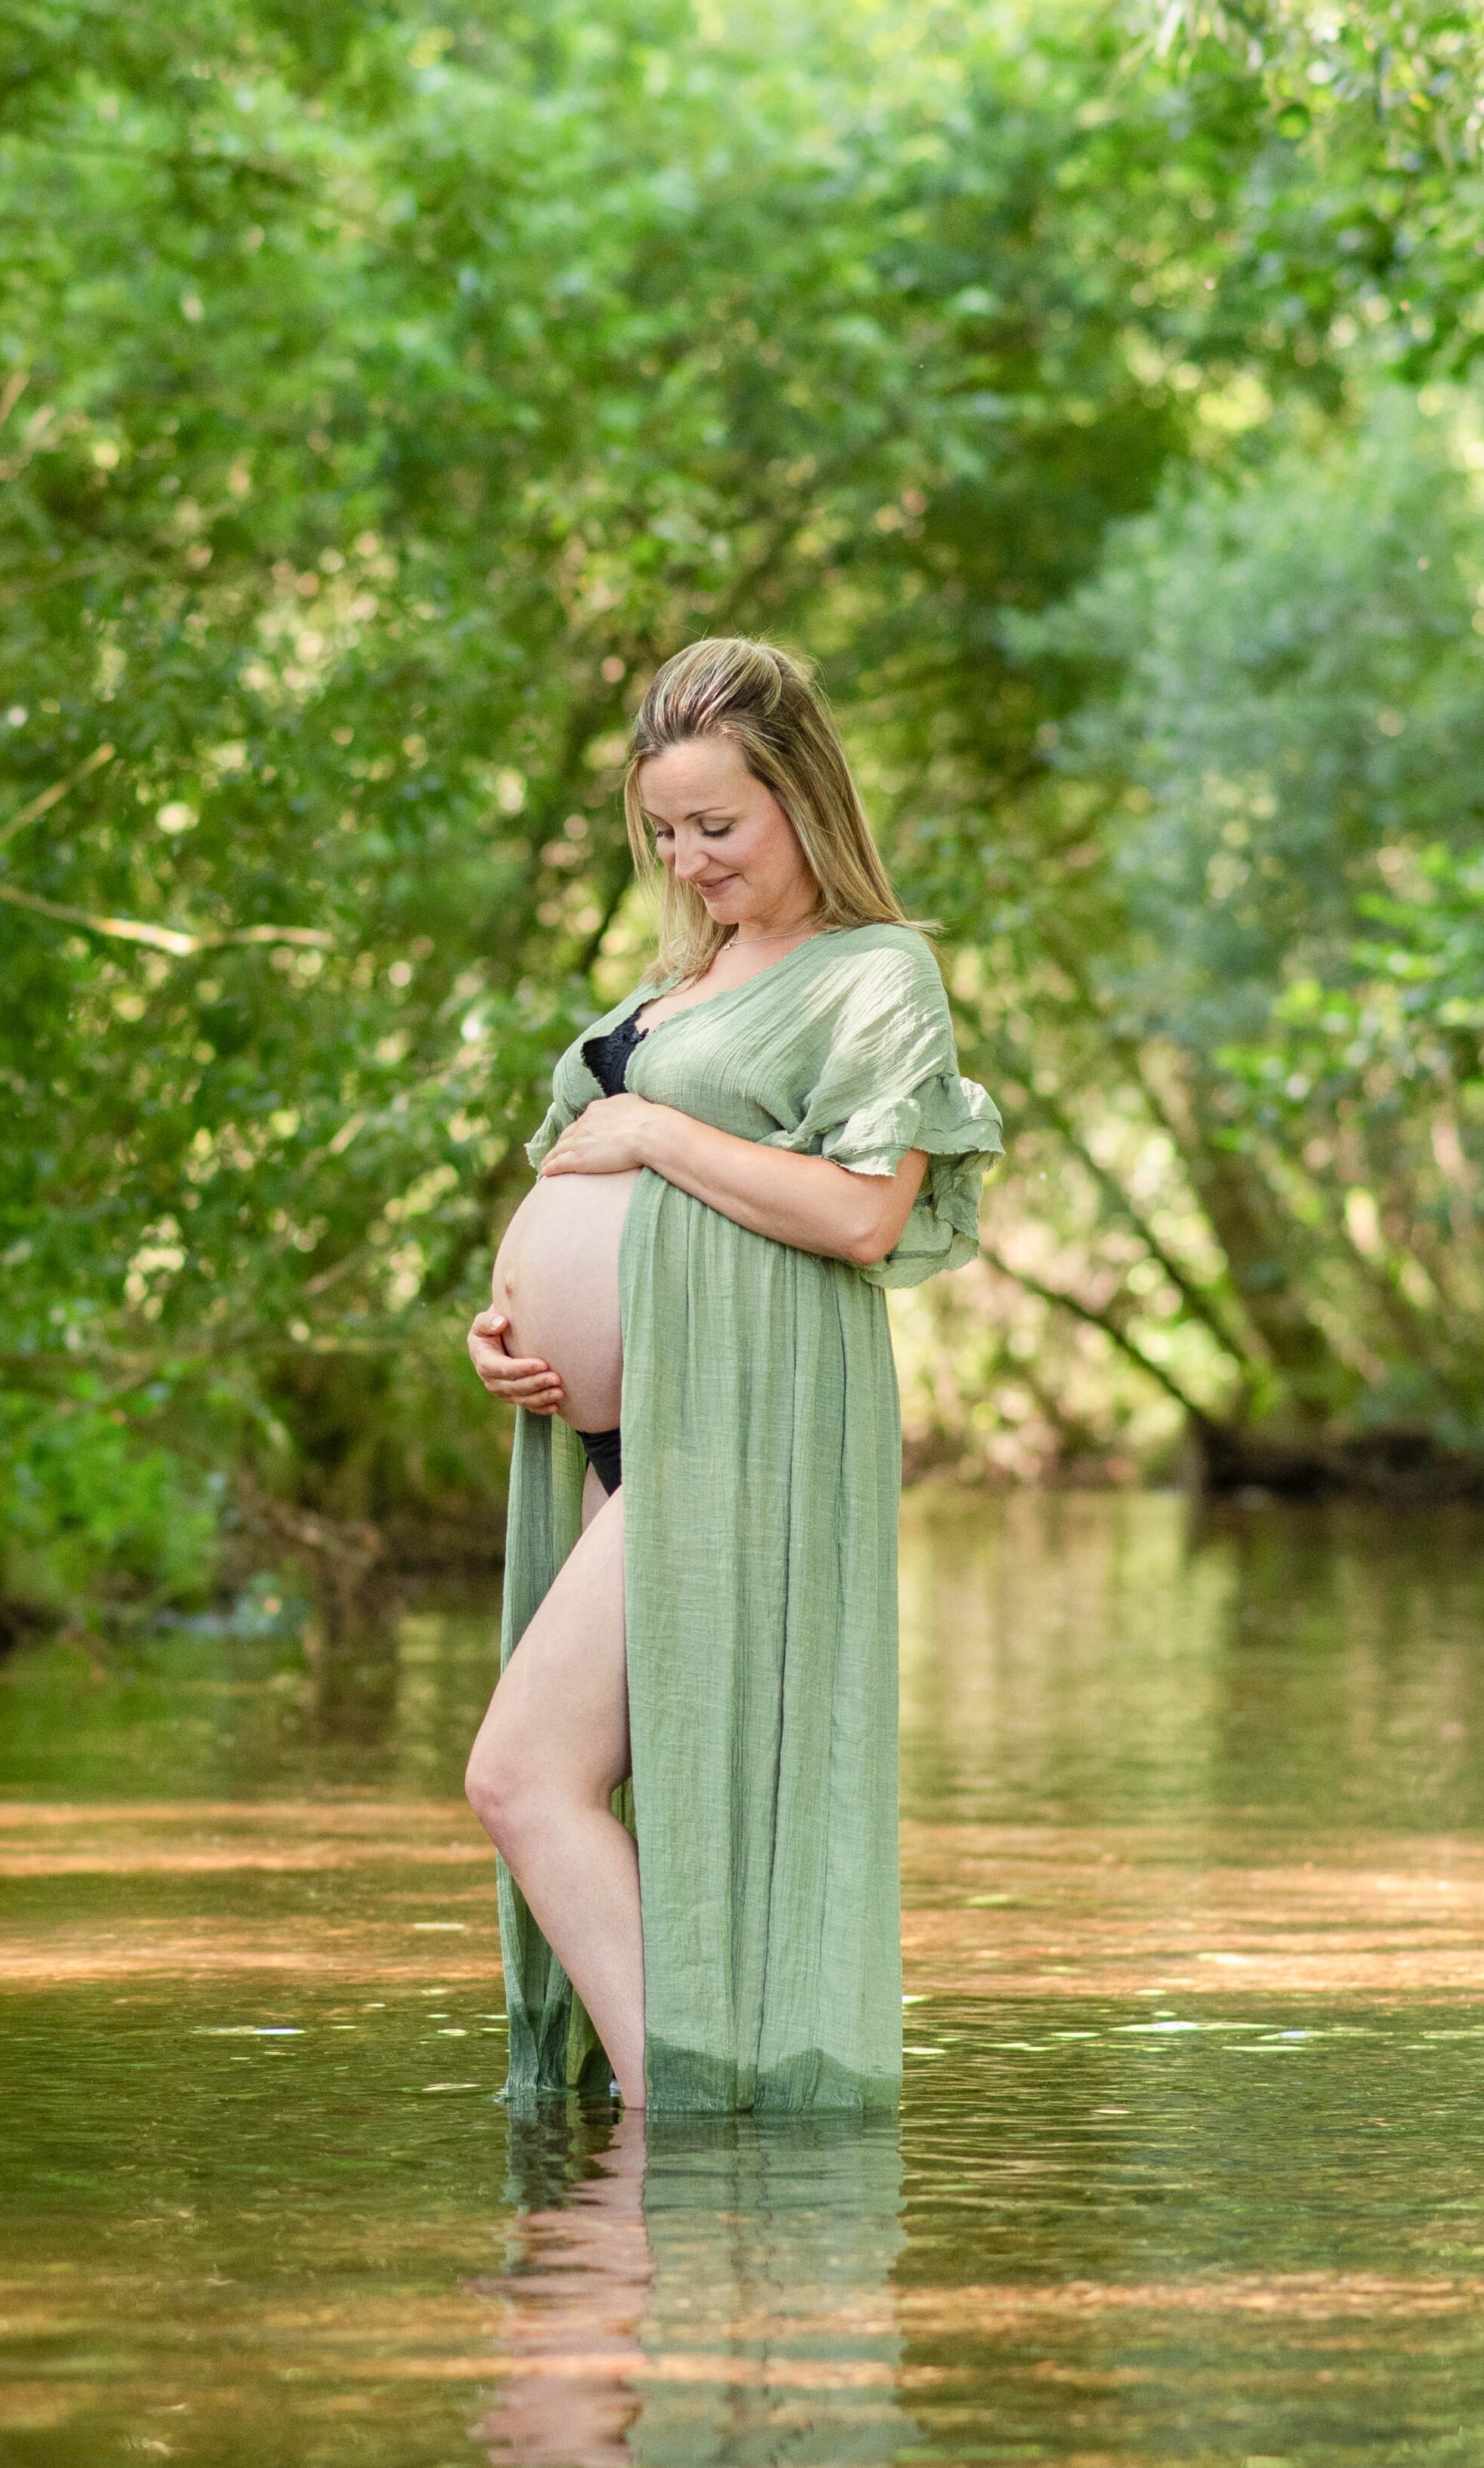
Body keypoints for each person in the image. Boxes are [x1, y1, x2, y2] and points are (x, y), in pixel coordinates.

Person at [462, 638, 1001, 2115]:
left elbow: (860, 1213)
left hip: (736, 1440)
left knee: (520, 1777)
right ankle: (679, 2155)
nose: (690, 858)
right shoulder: (682, 984)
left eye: (720, 826)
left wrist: (654, 1138)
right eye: (665, 832)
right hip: (619, 1448)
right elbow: (579, 1194)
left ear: (801, 797)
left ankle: (675, 2121)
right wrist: (503, 1329)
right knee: (603, 1786)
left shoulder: (874, 974)